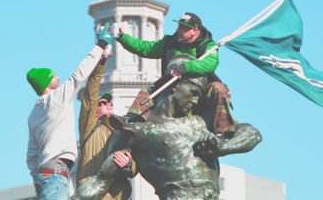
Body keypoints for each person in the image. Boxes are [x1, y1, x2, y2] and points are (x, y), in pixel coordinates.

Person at [71, 55, 262, 200]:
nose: (196, 100)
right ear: (174, 86)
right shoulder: (137, 132)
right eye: (193, 92)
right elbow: (101, 181)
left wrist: (224, 147)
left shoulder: (204, 120)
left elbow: (253, 134)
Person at [113, 12, 235, 137]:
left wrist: (185, 68)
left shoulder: (207, 45)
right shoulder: (169, 42)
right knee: (148, 91)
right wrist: (123, 38)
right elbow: (145, 48)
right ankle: (132, 121)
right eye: (178, 26)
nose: (178, 31)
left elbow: (210, 63)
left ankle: (224, 132)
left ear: (194, 30)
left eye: (183, 28)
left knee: (219, 89)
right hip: (170, 84)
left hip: (200, 87)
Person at [26, 23, 112, 200]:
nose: (58, 77)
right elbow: (78, 75)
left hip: (45, 175)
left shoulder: (34, 113)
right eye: (53, 76)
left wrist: (39, 176)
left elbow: (32, 155)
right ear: (46, 83)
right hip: (56, 173)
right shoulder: (57, 99)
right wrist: (101, 45)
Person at [76, 49, 134, 199]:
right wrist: (101, 64)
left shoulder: (123, 131)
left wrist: (129, 165)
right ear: (94, 112)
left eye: (109, 102)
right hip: (93, 194)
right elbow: (90, 93)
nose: (108, 103)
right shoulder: (90, 128)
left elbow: (136, 165)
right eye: (102, 103)